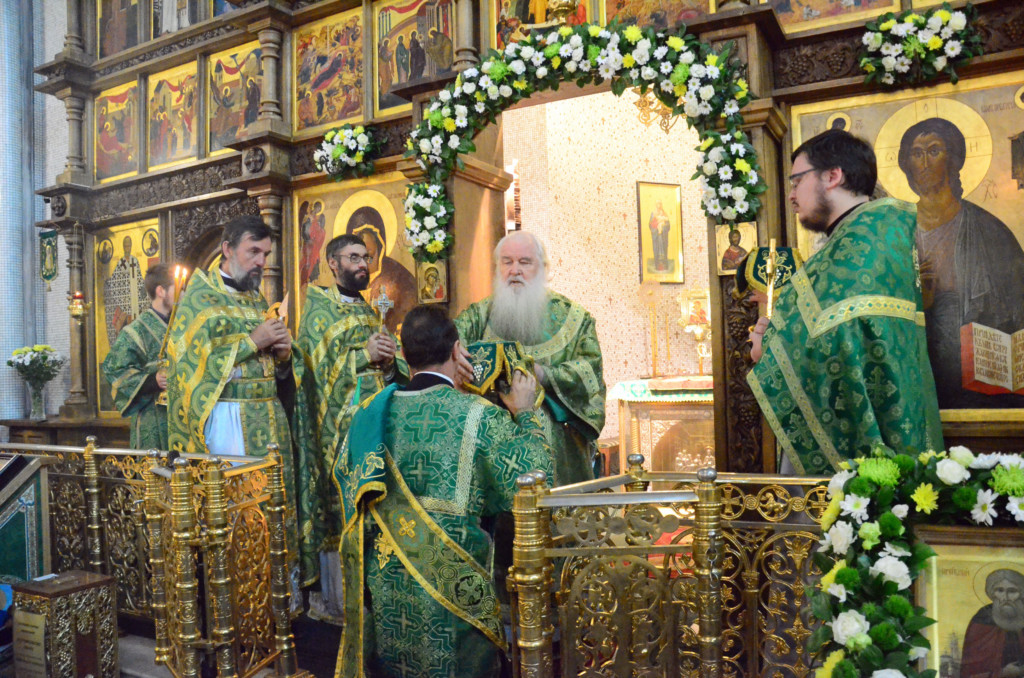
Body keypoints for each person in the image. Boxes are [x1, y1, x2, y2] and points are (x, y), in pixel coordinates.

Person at [334, 306, 552, 678]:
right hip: (452, 587)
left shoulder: (369, 413)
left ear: (403, 355)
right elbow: (532, 479)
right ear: (456, 352)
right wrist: (526, 413)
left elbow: (344, 477)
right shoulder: (479, 415)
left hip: (387, 579)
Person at [748, 129, 944, 475]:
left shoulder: (859, 247)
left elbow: (839, 342)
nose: (792, 196)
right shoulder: (871, 234)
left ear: (832, 176)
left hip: (856, 453)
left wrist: (769, 347)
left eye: (796, 181)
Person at [166, 215, 319, 587]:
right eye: (253, 251)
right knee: (238, 519)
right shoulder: (198, 299)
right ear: (227, 250)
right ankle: (234, 604)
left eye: (265, 253)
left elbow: (278, 365)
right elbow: (188, 368)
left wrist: (285, 355)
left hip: (269, 422)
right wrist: (253, 341)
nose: (261, 262)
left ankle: (273, 608)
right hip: (226, 424)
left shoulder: (255, 298)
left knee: (273, 514)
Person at [294, 234, 409, 623]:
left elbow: (388, 371)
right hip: (336, 434)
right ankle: (339, 602)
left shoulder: (370, 311)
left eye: (367, 257)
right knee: (341, 510)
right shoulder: (318, 307)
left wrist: (391, 362)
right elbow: (313, 369)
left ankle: (376, 596)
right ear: (332, 261)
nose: (363, 264)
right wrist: (363, 355)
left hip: (374, 429)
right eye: (354, 257)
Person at [455, 230, 605, 486]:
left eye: (524, 262)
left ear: (543, 269)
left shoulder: (574, 318)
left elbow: (590, 373)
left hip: (560, 455)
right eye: (507, 262)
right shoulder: (477, 316)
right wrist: (453, 352)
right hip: (492, 451)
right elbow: (447, 347)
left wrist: (546, 375)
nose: (515, 270)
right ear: (497, 268)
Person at [897, 117, 1024, 409]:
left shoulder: (990, 231)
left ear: (953, 159)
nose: (924, 162)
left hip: (980, 383)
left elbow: (1016, 311)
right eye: (916, 153)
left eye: (933, 150)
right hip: (914, 379)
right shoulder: (894, 231)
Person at [100, 263, 174, 450]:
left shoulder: (182, 326)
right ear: (161, 291)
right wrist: (152, 380)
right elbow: (114, 370)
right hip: (152, 417)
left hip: (182, 417)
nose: (183, 294)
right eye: (178, 289)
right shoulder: (136, 330)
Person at [961, 569, 1024, 678]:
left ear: (1022, 593)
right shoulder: (982, 619)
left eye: (1012, 591)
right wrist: (1002, 673)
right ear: (992, 593)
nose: (1005, 598)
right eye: (1000, 590)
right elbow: (969, 672)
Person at [649, 200, 671, 272]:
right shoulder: (653, 214)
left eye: (660, 204)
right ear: (656, 205)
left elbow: (668, 225)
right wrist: (656, 227)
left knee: (664, 249)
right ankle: (657, 265)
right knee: (657, 250)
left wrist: (663, 227)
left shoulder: (664, 214)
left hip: (663, 236)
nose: (659, 206)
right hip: (656, 236)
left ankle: (664, 265)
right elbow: (650, 225)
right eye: (657, 204)